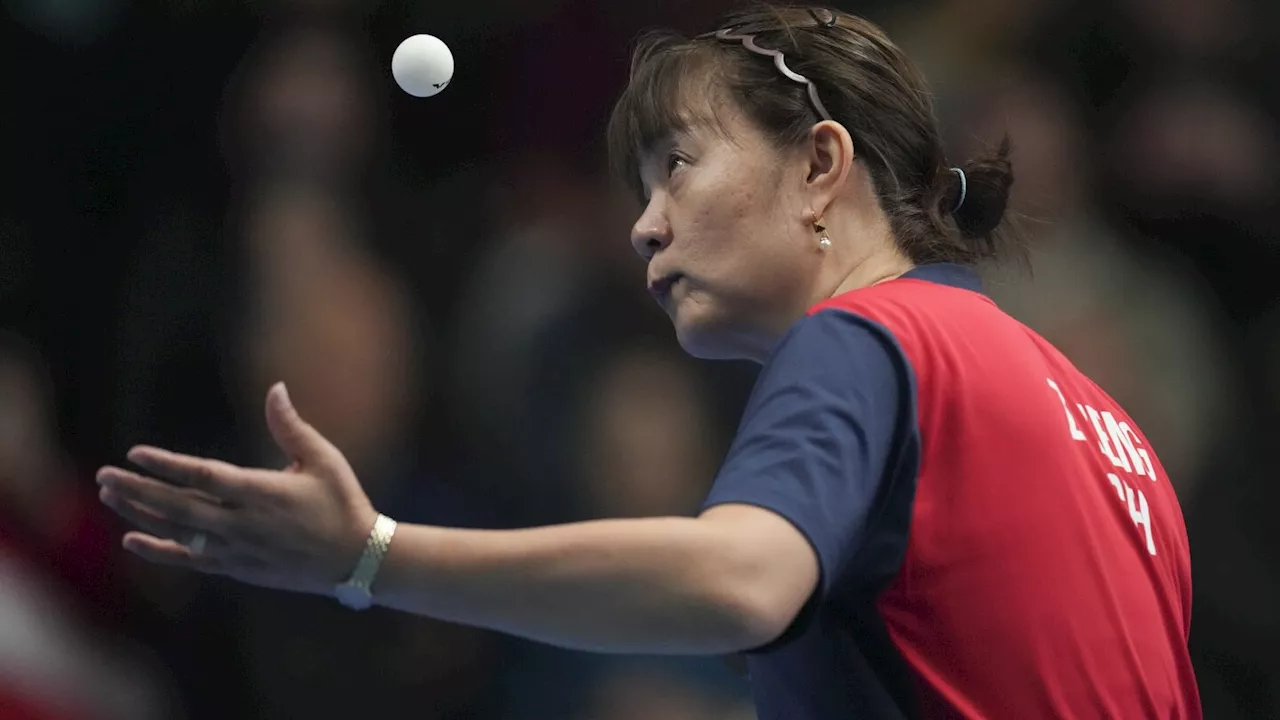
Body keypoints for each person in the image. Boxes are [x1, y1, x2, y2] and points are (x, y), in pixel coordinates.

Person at [96, 5, 1202, 718]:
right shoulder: (1111, 431)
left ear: (820, 164)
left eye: (677, 166)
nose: (644, 225)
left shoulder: (870, 341)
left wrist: (369, 556)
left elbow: (736, 582)